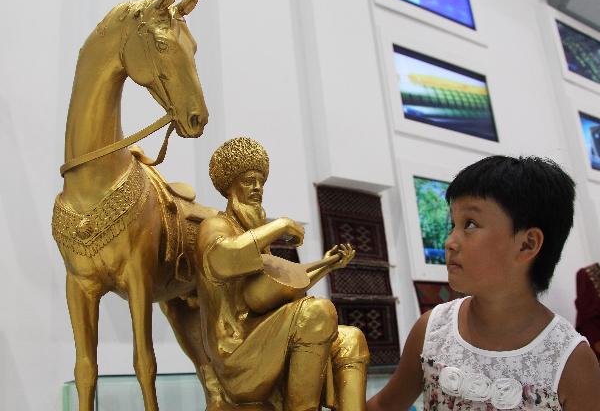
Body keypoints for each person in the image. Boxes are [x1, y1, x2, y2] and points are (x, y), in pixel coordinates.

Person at [367, 156, 600, 411]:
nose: (449, 242)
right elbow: (384, 405)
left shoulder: (571, 360)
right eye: (452, 225)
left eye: (470, 224)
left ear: (527, 244)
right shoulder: (432, 329)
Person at [194, 137, 370, 411]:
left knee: (351, 339)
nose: (257, 188)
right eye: (249, 181)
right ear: (230, 186)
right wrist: (281, 225)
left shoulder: (255, 238)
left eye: (261, 182)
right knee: (317, 312)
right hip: (235, 352)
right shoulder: (215, 226)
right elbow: (224, 259)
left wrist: (328, 265)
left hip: (265, 342)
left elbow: (285, 283)